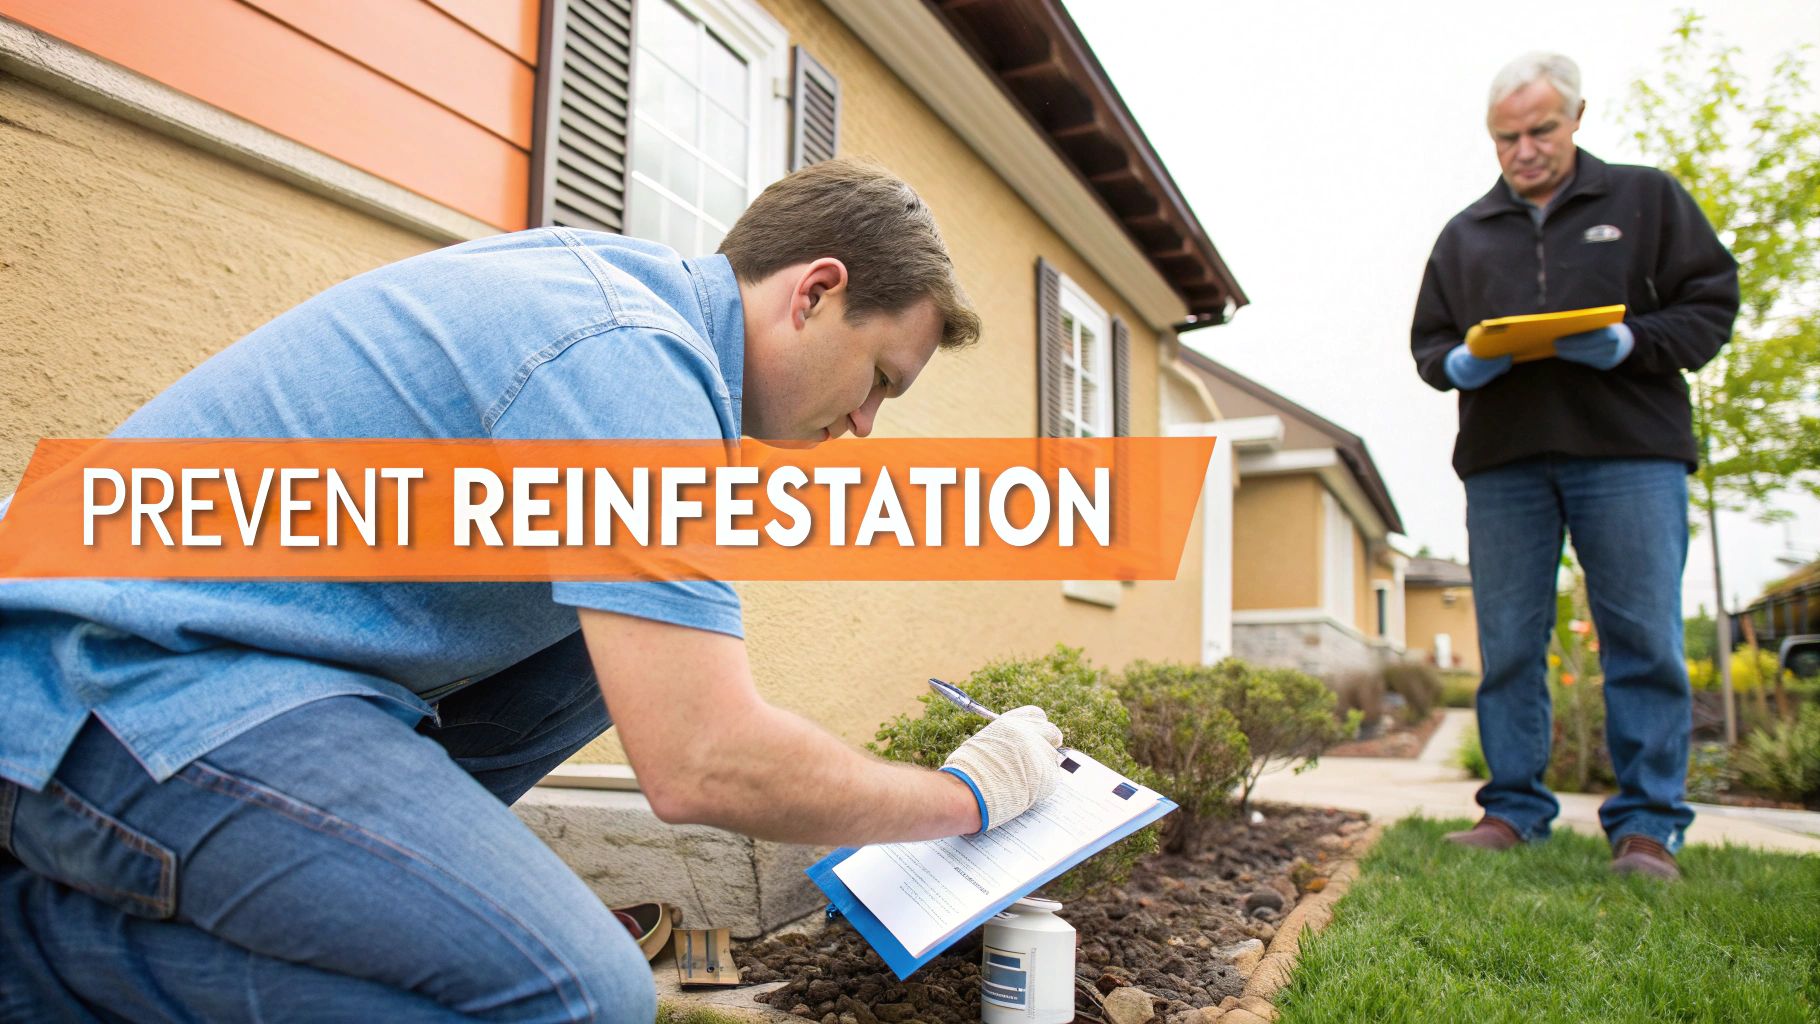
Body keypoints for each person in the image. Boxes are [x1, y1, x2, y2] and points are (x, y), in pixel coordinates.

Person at [0, 160, 1066, 1021]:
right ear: (815, 291)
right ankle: (32, 958)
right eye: (881, 377)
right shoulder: (629, 355)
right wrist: (967, 799)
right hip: (114, 686)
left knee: (613, 649)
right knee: (576, 993)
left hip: (249, 681)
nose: (865, 426)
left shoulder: (628, 328)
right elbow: (703, 761)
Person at [1410, 53, 1739, 881]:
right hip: (1504, 462)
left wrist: (1635, 342)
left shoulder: (1647, 199)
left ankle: (1648, 827)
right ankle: (1514, 812)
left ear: (1577, 117)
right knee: (1511, 643)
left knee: (1643, 640)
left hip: (1630, 452)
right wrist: (1458, 364)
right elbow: (1429, 344)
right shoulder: (1465, 233)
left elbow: (1712, 302)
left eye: (1540, 130)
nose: (1524, 149)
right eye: (1506, 137)